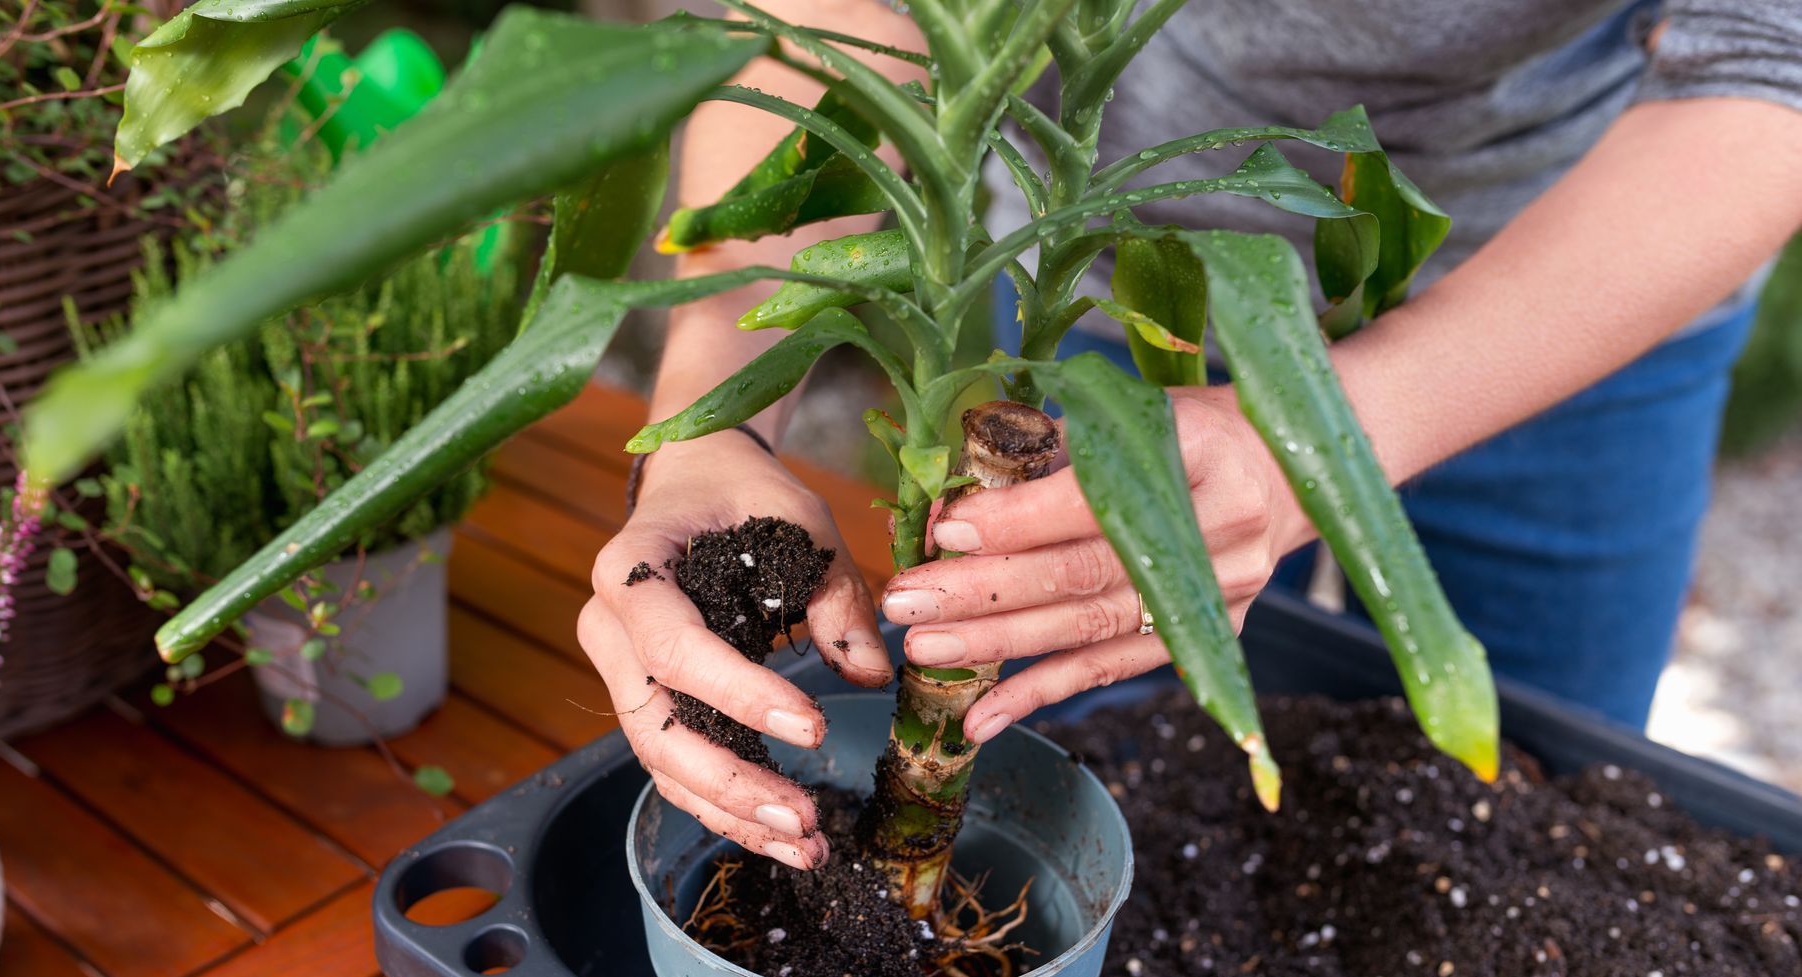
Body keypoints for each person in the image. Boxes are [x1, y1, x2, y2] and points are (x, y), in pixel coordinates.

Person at [579, 0, 1802, 870]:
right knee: (1094, 780)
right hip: (1108, 279)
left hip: (1575, 284)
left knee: (1524, 826)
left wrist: (1317, 449)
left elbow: (1773, 57)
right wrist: (714, 427)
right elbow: (839, 19)